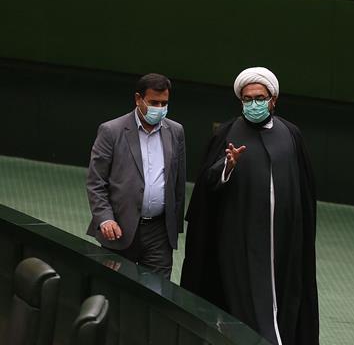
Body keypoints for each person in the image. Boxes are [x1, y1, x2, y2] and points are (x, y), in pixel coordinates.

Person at [181, 67, 319, 345]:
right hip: (240, 243)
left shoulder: (291, 134)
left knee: (284, 302)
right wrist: (227, 166)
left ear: (273, 100)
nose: (253, 104)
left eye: (259, 98)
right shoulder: (227, 133)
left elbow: (304, 190)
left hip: (283, 242)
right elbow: (207, 185)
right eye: (247, 99)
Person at [86, 73, 186, 279]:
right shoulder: (111, 131)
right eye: (154, 102)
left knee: (157, 290)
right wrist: (105, 219)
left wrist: (173, 227)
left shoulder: (176, 131)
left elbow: (178, 182)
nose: (160, 108)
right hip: (119, 229)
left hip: (159, 233)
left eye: (164, 103)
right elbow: (96, 182)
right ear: (138, 99)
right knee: (115, 288)